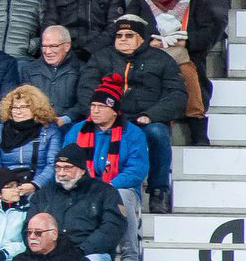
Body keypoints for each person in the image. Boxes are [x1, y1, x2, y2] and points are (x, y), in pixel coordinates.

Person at [77, 14, 187, 214]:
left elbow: (177, 94)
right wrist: (99, 113)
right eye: (119, 35)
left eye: (129, 35)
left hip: (145, 119)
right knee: (77, 131)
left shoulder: (161, 60)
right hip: (109, 119)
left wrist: (152, 114)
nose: (123, 39)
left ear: (142, 38)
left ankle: (158, 191)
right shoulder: (101, 57)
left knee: (158, 133)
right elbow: (85, 89)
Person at [128, 0, 223, 147]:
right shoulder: (140, 0)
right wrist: (149, 44)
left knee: (189, 72)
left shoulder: (194, 0)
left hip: (183, 54)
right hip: (149, 54)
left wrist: (186, 42)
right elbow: (129, 28)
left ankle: (198, 128)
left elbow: (208, 32)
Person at [0, 84, 62, 193]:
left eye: (24, 107)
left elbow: (52, 164)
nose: (18, 111)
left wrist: (35, 184)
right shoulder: (0, 130)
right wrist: (3, 185)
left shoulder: (49, 131)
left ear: (36, 108)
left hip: (38, 187)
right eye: (14, 107)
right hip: (5, 186)